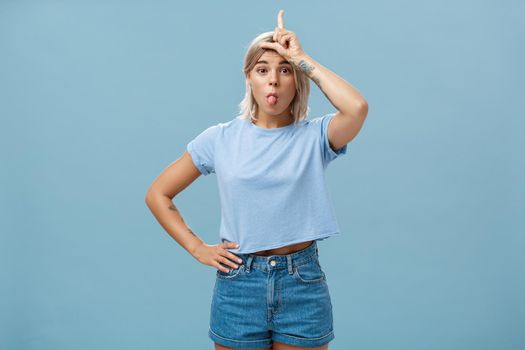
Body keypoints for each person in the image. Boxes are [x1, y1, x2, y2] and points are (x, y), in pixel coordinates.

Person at [145, 9, 368, 350]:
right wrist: (196, 247)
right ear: (248, 77)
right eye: (263, 70)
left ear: (298, 79)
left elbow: (357, 108)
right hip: (239, 285)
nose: (274, 80)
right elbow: (159, 194)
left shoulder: (315, 137)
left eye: (285, 71)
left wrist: (301, 57)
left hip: (301, 284)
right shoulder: (219, 139)